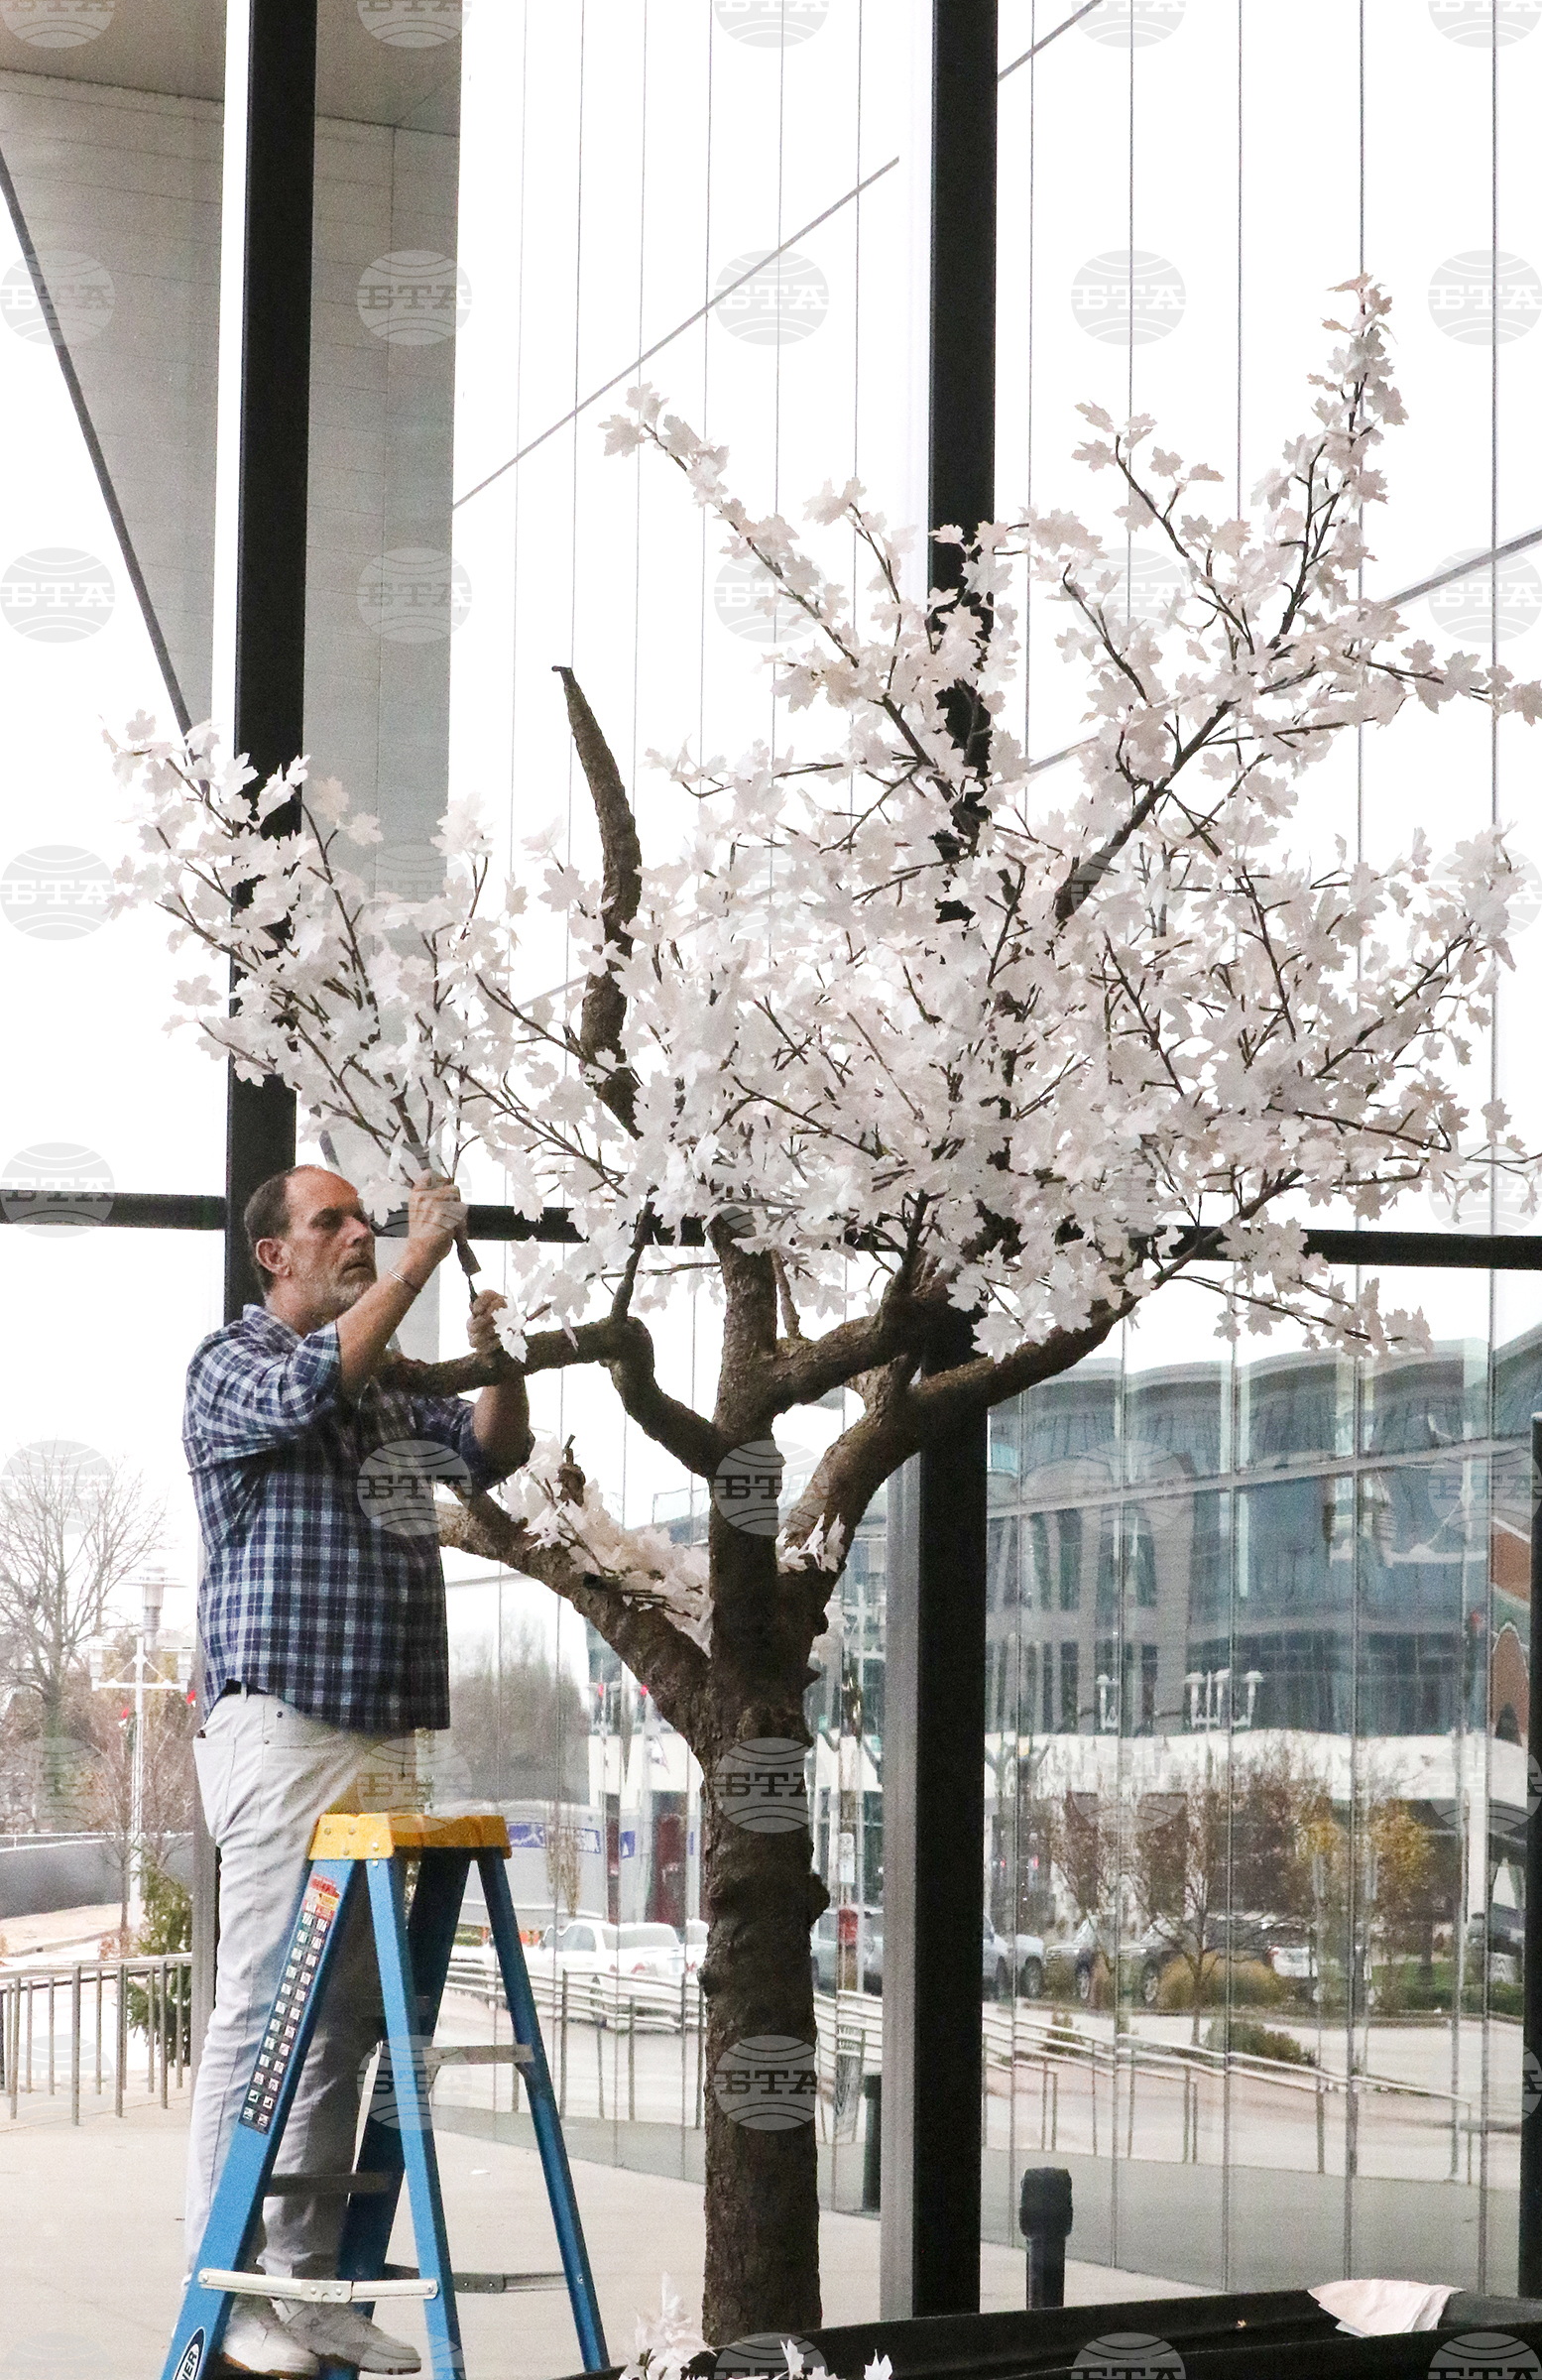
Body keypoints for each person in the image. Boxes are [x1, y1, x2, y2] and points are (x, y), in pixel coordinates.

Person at [180, 1166, 531, 2376]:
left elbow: (492, 1454)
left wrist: (502, 1358)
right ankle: (222, 2287)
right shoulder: (230, 1366)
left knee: (341, 2021)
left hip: (384, 1734)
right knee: (263, 2004)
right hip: (281, 1727)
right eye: (329, 1222)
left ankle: (306, 2281)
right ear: (272, 1256)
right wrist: (421, 1262)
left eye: (362, 1221)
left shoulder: (379, 1384)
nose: (358, 1235)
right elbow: (307, 1383)